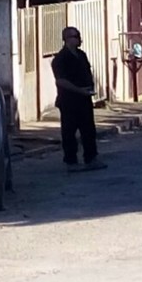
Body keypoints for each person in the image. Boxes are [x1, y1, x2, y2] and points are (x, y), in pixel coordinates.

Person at [51, 26, 106, 172]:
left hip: (84, 99)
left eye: (78, 36)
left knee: (88, 129)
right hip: (69, 100)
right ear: (67, 39)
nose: (78, 39)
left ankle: (91, 158)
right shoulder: (60, 59)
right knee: (69, 131)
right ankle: (71, 161)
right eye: (75, 36)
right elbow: (61, 80)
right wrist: (78, 90)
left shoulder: (81, 55)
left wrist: (89, 88)